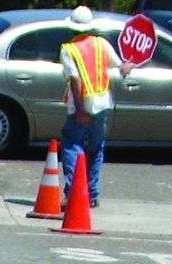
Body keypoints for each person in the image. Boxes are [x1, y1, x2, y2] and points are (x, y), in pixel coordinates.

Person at [58, 7, 131, 208]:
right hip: (102, 104)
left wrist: (80, 110)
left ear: (71, 27)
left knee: (72, 145)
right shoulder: (101, 44)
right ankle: (90, 194)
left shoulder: (68, 49)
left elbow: (75, 81)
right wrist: (129, 66)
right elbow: (121, 67)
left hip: (80, 107)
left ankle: (72, 193)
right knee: (95, 149)